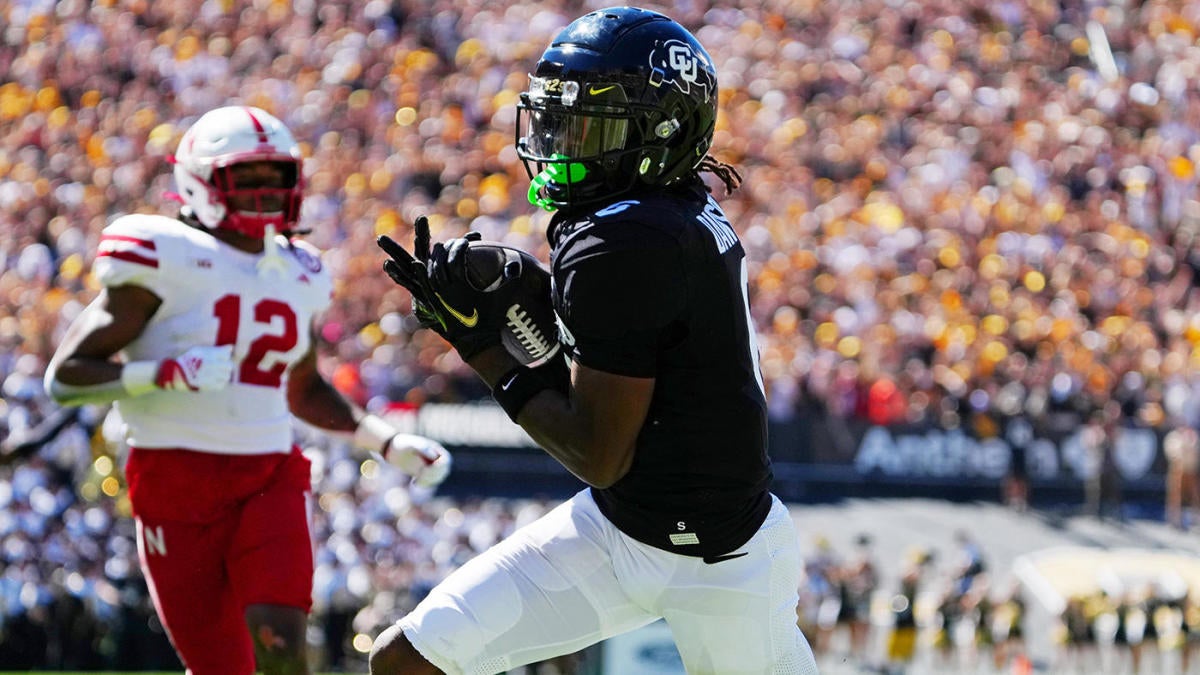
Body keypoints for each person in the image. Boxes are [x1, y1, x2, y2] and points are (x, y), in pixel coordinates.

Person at [371, 7, 818, 674]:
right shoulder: (662, 201)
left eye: (589, 119)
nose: (560, 137)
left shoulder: (623, 238)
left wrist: (482, 348)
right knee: (408, 659)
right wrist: (528, 289)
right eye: (556, 115)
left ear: (659, 127)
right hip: (621, 528)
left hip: (721, 564)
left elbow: (597, 450)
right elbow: (625, 337)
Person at [36, 105, 451, 675]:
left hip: (266, 473)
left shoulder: (299, 270)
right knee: (219, 667)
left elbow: (301, 387)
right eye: (247, 178)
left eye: (275, 178)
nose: (265, 192)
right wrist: (161, 375)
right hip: (171, 480)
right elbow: (66, 378)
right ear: (199, 182)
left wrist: (384, 440)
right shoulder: (163, 254)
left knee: (281, 645)